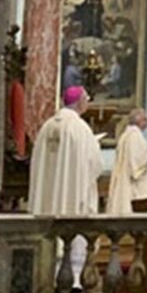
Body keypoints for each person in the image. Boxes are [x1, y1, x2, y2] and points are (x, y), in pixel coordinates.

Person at [29, 87, 105, 281]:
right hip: (72, 195)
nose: (87, 103)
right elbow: (95, 166)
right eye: (87, 99)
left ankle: (44, 276)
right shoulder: (80, 128)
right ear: (80, 102)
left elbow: (37, 162)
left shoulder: (47, 127)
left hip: (47, 196)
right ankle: (74, 277)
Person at [107, 108, 147, 215]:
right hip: (134, 187)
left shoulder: (125, 136)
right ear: (140, 121)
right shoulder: (135, 136)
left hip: (124, 180)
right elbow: (137, 164)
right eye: (145, 119)